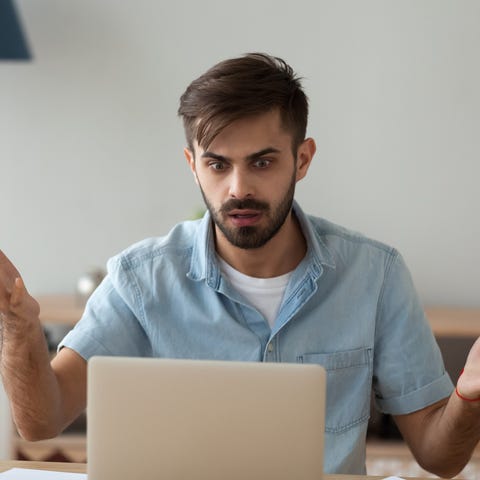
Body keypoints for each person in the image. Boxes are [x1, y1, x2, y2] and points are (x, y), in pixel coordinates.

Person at [0, 52, 479, 476]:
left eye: (262, 162)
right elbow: (42, 420)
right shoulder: (141, 279)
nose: (238, 189)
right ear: (193, 164)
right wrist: (18, 331)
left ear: (303, 159)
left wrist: (470, 397)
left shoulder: (375, 276)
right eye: (217, 164)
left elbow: (440, 457)